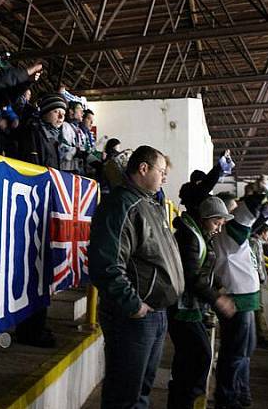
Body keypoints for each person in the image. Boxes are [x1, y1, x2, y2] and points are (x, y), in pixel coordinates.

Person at [89, 145, 184, 409]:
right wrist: (133, 306)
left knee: (140, 390)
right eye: (161, 171)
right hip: (134, 317)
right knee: (125, 395)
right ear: (143, 168)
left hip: (154, 313)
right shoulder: (122, 205)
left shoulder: (149, 204)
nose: (165, 178)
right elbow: (105, 264)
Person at [168, 196, 236, 409]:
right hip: (182, 307)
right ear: (205, 218)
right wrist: (217, 298)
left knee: (187, 359)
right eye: (216, 223)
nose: (218, 228)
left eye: (221, 224)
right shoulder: (189, 237)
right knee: (201, 356)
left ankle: (181, 401)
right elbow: (192, 275)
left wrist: (217, 286)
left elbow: (203, 270)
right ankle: (186, 400)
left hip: (190, 306)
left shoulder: (199, 235)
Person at [13, 93, 66, 348]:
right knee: (33, 270)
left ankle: (36, 326)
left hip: (45, 210)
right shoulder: (33, 131)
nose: (61, 115)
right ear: (45, 110)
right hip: (33, 210)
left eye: (63, 112)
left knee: (42, 270)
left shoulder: (52, 137)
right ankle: (29, 330)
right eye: (57, 110)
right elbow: (32, 170)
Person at [213, 191, 268, 409]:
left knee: (244, 350)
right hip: (239, 299)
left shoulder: (231, 234)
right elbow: (245, 218)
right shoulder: (230, 231)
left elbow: (250, 222)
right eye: (234, 208)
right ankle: (228, 398)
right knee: (236, 353)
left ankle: (240, 391)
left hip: (243, 298)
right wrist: (257, 196)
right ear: (226, 212)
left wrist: (262, 209)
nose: (238, 212)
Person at [178, 150, 232, 221]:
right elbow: (211, 179)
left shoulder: (189, 194)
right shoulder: (198, 192)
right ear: (198, 182)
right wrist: (221, 162)